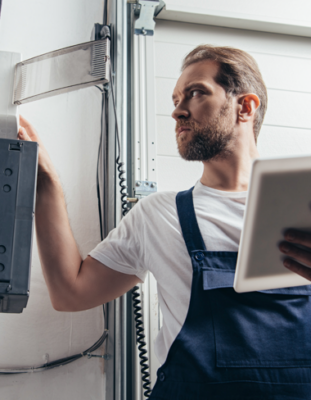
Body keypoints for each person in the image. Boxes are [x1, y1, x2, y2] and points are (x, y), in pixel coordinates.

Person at [18, 45, 311, 399]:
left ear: (245, 107)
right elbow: (70, 292)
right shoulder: (159, 215)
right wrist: (47, 180)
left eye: (196, 92)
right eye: (176, 98)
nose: (177, 111)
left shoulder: (304, 208)